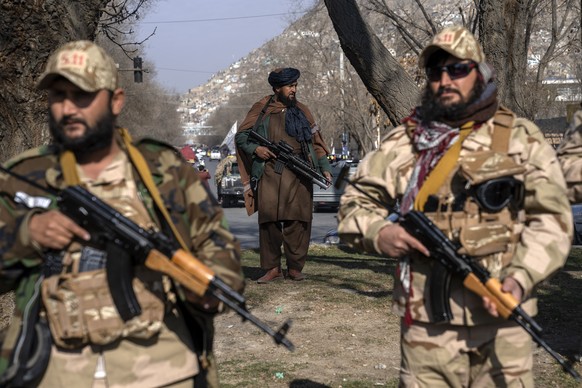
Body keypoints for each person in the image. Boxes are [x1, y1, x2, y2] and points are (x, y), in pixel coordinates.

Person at [337, 26, 572, 387]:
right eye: (436, 72)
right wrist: (380, 233)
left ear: (480, 72)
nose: (446, 79)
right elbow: (355, 204)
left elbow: (552, 220)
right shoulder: (405, 143)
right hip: (427, 329)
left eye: (458, 69)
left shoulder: (520, 139)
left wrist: (520, 277)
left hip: (504, 321)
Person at [0, 40, 244, 387]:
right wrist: (26, 234)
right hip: (54, 371)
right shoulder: (24, 177)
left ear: (116, 101)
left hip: (162, 369)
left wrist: (207, 286)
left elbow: (218, 245)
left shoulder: (164, 172)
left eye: (82, 95)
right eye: (58, 96)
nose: (68, 108)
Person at [235, 67, 332, 283]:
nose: (294, 90)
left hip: (299, 173)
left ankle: (295, 268)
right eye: (290, 86)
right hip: (269, 172)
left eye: (296, 86)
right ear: (277, 88)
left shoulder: (303, 111)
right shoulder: (261, 109)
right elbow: (241, 137)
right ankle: (272, 268)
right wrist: (256, 149)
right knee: (269, 222)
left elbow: (316, 143)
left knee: (298, 222)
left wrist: (324, 167)